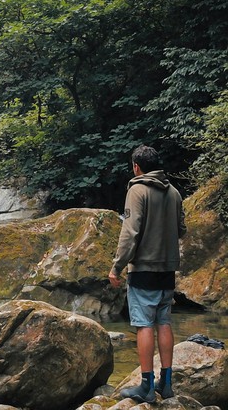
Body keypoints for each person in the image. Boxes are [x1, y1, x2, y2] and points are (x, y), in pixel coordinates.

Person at [109, 145, 187, 403]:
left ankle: (145, 386)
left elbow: (130, 232)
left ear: (136, 167)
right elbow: (181, 229)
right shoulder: (174, 192)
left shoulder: (137, 189)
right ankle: (166, 385)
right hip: (168, 269)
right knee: (163, 322)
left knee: (143, 325)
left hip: (143, 268)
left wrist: (117, 266)